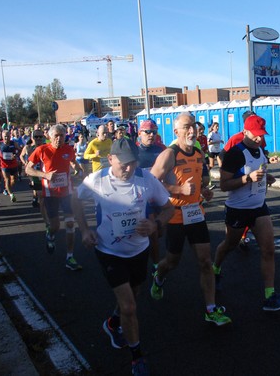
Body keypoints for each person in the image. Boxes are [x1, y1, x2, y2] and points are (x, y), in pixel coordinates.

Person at [72, 138, 173, 376]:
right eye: (124, 164)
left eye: (133, 162)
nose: (129, 168)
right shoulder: (97, 179)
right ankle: (137, 357)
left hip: (138, 250)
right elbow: (75, 199)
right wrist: (85, 230)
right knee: (129, 305)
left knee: (135, 294)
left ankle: (112, 322)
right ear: (110, 159)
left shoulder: (145, 179)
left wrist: (155, 223)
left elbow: (168, 208)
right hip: (109, 251)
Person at [149, 113, 231, 326]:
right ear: (176, 131)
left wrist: (204, 191)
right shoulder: (169, 154)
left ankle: (211, 309)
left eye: (193, 126)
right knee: (172, 262)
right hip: (175, 216)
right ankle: (158, 277)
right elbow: (151, 182)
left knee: (205, 261)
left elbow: (196, 182)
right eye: (186, 127)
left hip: (196, 214)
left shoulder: (197, 152)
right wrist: (178, 189)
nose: (192, 131)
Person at [212, 115, 280, 312]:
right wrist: (248, 178)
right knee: (229, 244)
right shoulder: (234, 154)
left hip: (259, 207)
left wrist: (267, 178)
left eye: (262, 135)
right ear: (245, 132)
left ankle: (270, 295)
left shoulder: (261, 150)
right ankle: (215, 269)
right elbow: (223, 185)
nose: (259, 139)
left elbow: (260, 171)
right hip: (237, 209)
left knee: (268, 249)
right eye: (256, 135)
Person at [25, 124, 82, 270]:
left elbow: (74, 162)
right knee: (55, 225)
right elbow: (28, 169)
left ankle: (70, 257)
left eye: (61, 135)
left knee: (70, 224)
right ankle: (50, 235)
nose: (59, 138)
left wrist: (78, 170)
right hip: (50, 194)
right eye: (56, 135)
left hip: (67, 193)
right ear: (49, 137)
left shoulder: (68, 149)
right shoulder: (41, 150)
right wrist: (45, 175)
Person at [135, 119, 166, 276]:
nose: (151, 135)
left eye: (154, 132)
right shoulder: (134, 150)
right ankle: (155, 265)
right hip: (141, 198)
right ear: (140, 133)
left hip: (158, 195)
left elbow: (170, 170)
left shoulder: (161, 149)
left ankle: (150, 254)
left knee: (158, 232)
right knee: (152, 232)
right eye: (147, 132)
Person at [20, 129, 46, 208]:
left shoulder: (48, 147)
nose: (38, 138)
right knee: (41, 196)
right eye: (36, 137)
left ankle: (36, 198)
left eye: (40, 137)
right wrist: (25, 163)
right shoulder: (29, 148)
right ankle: (46, 217)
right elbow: (22, 156)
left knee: (47, 197)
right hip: (35, 173)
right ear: (32, 138)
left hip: (47, 173)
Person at [0, 130, 21, 202]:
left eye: (8, 136)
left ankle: (6, 189)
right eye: (5, 136)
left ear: (10, 136)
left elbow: (20, 150)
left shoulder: (13, 143)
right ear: (2, 137)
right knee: (7, 179)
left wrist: (16, 155)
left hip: (13, 164)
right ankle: (11, 194)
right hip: (4, 165)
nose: (6, 138)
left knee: (14, 179)